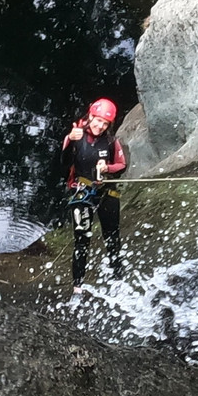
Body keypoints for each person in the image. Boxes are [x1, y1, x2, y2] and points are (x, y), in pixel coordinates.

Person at [60, 98, 127, 294]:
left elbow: (121, 165)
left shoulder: (111, 141)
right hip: (82, 192)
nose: (100, 126)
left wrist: (107, 167)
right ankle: (77, 287)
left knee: (112, 236)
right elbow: (63, 165)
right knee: (82, 240)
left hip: (106, 191)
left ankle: (117, 278)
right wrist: (70, 142)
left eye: (105, 123)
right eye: (98, 120)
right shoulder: (75, 136)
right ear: (90, 116)